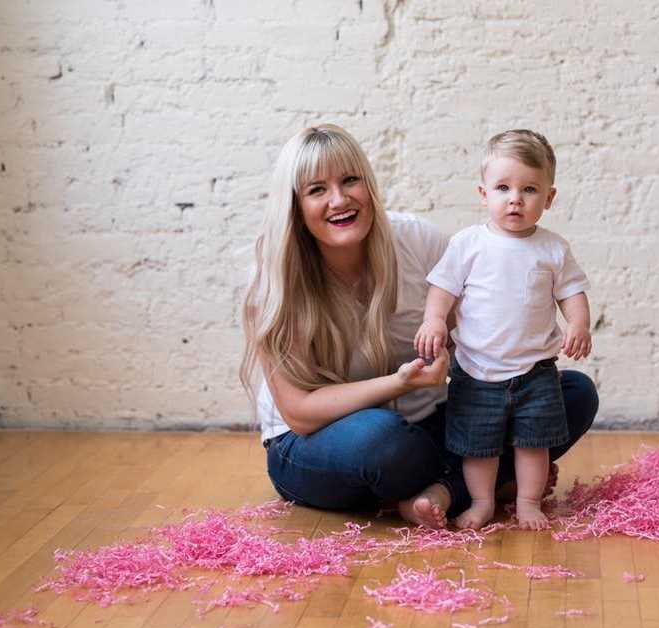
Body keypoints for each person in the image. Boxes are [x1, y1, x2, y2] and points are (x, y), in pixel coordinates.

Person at [240, 123, 598, 529]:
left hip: (423, 426)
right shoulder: (274, 278)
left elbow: (487, 302)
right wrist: (401, 382)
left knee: (570, 393)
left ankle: (439, 493)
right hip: (315, 444)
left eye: (350, 180)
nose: (339, 199)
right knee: (382, 438)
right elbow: (301, 414)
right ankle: (491, 480)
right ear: (295, 205)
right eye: (316, 189)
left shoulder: (414, 239)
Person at [414, 129, 592, 530]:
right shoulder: (469, 244)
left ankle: (528, 502)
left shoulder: (553, 248)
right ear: (483, 194)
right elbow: (443, 288)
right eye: (503, 187)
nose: (515, 198)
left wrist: (578, 322)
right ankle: (481, 502)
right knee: (478, 446)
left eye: (529, 189)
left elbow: (572, 292)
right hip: (477, 370)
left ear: (548, 198)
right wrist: (434, 319)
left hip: (535, 372)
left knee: (534, 443)